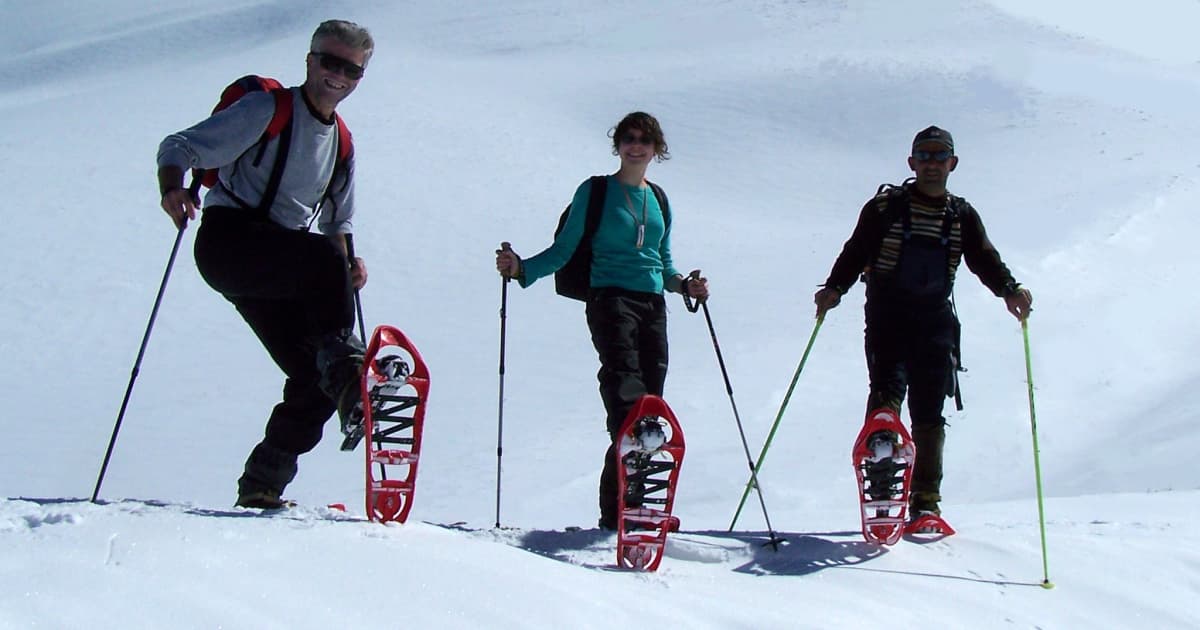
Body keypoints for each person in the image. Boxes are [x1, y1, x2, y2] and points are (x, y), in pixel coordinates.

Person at [156, 20, 375, 509]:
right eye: (330, 61)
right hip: (229, 242)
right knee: (322, 274)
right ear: (310, 60)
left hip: (281, 264)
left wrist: (347, 269)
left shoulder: (341, 144)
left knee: (312, 379)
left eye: (350, 69)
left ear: (360, 77)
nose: (338, 75)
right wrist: (173, 187)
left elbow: (338, 224)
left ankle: (262, 485)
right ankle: (350, 372)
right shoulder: (267, 109)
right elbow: (180, 146)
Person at [495, 112, 710, 530]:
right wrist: (522, 269)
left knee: (650, 404)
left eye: (644, 139)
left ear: (656, 148)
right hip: (610, 298)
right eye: (629, 138)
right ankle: (629, 506)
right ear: (618, 145)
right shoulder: (595, 192)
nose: (636, 145)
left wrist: (685, 286)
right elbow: (564, 249)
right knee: (628, 396)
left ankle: (625, 511)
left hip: (652, 304)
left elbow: (663, 263)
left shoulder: (659, 199)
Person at [813, 125, 1033, 523]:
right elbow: (856, 250)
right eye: (925, 156)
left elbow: (984, 258)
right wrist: (834, 288)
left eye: (938, 156)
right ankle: (882, 486)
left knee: (930, 412)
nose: (931, 164)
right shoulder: (884, 208)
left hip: (935, 322)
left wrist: (1009, 290)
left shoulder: (961, 215)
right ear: (912, 163)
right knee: (887, 396)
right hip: (887, 316)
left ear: (953, 163)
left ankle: (925, 500)